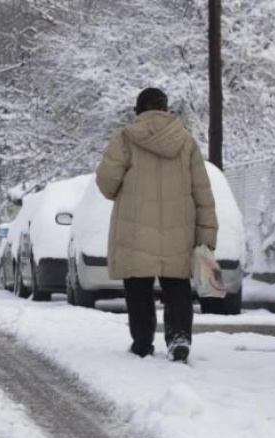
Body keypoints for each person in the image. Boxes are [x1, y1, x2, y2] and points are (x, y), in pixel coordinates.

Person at [95, 88, 218, 362]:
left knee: (138, 286)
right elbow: (203, 192)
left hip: (135, 230)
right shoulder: (186, 142)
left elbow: (106, 183)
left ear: (138, 110)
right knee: (177, 285)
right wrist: (207, 234)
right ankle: (179, 338)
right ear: (166, 110)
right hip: (179, 230)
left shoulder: (125, 139)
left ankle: (142, 341)